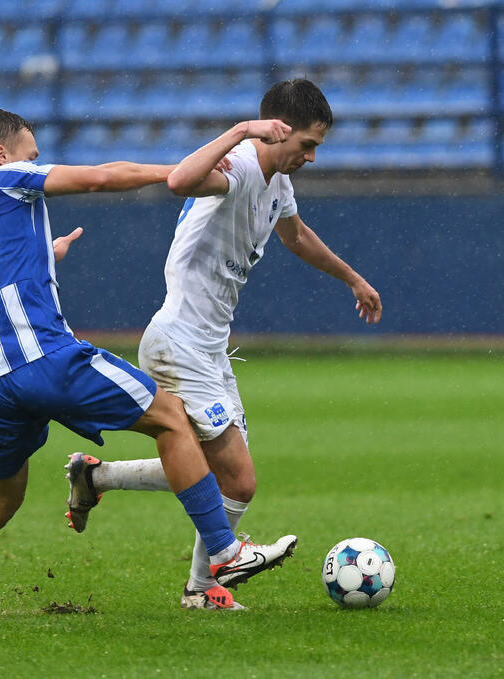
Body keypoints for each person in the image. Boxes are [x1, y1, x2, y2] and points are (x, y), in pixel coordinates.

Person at [0, 109, 296, 620]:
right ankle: (225, 552)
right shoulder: (7, 178)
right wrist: (177, 175)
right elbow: (101, 177)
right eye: (30, 153)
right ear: (0, 155)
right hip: (44, 359)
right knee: (172, 416)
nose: (36, 162)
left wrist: (47, 253)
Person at [63, 78, 382, 610]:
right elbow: (179, 181)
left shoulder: (277, 183)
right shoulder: (236, 166)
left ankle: (99, 481)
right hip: (179, 344)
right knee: (239, 479)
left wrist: (352, 278)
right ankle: (209, 577)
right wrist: (239, 130)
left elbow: (296, 235)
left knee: (212, 473)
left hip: (207, 348)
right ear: (276, 131)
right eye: (306, 144)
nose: (311, 157)